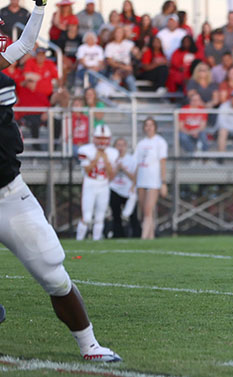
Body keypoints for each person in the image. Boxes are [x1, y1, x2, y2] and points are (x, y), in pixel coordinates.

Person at [0, 0, 122, 361]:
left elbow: (21, 48)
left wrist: (38, 9)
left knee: (53, 273)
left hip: (8, 193)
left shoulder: (2, 82)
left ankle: (90, 344)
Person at [76, 125, 117, 241]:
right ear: (94, 138)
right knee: (87, 217)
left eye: (104, 138)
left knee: (100, 217)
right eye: (99, 138)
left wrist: (106, 161)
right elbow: (87, 170)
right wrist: (96, 158)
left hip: (104, 184)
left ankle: (96, 240)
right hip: (90, 183)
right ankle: (79, 240)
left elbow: (112, 175)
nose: (102, 141)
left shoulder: (112, 152)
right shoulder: (86, 150)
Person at [134, 117, 167, 240]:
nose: (148, 128)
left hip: (153, 181)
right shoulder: (141, 144)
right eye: (146, 125)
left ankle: (143, 237)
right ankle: (151, 237)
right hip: (142, 180)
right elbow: (137, 163)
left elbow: (163, 162)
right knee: (144, 210)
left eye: (151, 125)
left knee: (148, 209)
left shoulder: (160, 142)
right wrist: (134, 183)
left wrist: (163, 182)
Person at [108, 137, 139, 238]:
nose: (120, 148)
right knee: (116, 214)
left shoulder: (131, 159)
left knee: (131, 214)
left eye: (122, 145)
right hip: (115, 189)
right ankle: (118, 234)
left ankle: (136, 234)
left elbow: (134, 177)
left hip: (127, 190)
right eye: (118, 145)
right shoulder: (111, 159)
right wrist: (117, 169)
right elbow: (109, 177)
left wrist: (124, 170)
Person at [103, 26, 136, 91]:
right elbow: (109, 61)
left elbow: (136, 55)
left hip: (127, 69)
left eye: (120, 32)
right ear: (114, 33)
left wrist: (137, 52)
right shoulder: (110, 45)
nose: (118, 34)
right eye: (117, 32)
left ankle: (136, 98)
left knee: (130, 80)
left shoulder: (129, 44)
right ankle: (112, 97)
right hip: (115, 68)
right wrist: (123, 67)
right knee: (116, 79)